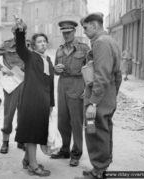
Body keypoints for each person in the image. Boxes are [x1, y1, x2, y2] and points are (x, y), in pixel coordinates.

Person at [78, 13, 122, 179]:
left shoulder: (101, 43)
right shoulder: (110, 40)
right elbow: (117, 75)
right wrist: (112, 94)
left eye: (86, 27)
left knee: (95, 132)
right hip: (106, 94)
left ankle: (98, 171)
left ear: (95, 26)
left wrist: (93, 102)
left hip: (99, 97)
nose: (84, 31)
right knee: (103, 131)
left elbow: (101, 75)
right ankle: (101, 168)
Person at [14, 18, 54, 177]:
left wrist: (51, 103)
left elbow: (50, 83)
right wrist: (20, 31)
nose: (43, 44)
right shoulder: (30, 57)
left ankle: (27, 160)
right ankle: (33, 165)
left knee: (37, 131)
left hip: (43, 103)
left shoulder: (48, 60)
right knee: (32, 132)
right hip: (31, 101)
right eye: (39, 42)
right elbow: (20, 47)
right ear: (34, 45)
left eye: (44, 41)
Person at [51, 20, 89, 167]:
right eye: (64, 33)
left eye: (69, 32)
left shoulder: (84, 48)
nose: (66, 35)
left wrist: (87, 89)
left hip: (77, 83)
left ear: (74, 32)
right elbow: (54, 70)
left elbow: (90, 70)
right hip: (62, 85)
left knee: (76, 122)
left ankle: (76, 153)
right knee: (62, 121)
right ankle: (65, 149)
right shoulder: (59, 50)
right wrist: (56, 70)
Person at [0, 32, 25, 154]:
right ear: (13, 33)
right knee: (9, 112)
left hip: (25, 81)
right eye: (18, 32)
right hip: (11, 82)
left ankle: (21, 139)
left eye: (23, 32)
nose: (20, 34)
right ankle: (5, 141)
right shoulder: (6, 44)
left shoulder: (28, 44)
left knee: (24, 112)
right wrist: (1, 68)